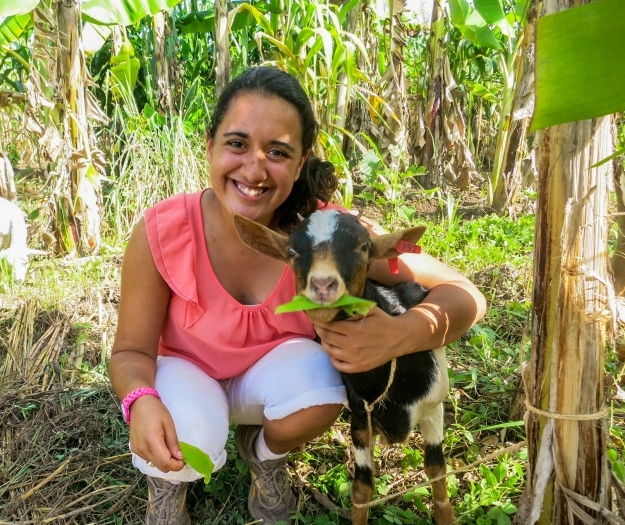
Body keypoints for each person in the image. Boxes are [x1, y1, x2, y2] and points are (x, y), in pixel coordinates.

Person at [109, 66, 486, 525]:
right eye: (236, 143)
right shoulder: (163, 232)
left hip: (274, 382)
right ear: (208, 145)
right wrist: (141, 400)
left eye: (277, 152)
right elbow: (131, 350)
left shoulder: (329, 236)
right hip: (184, 377)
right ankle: (167, 489)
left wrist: (401, 335)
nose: (253, 168)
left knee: (319, 385)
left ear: (301, 161)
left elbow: (464, 293)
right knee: (190, 432)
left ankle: (264, 456)